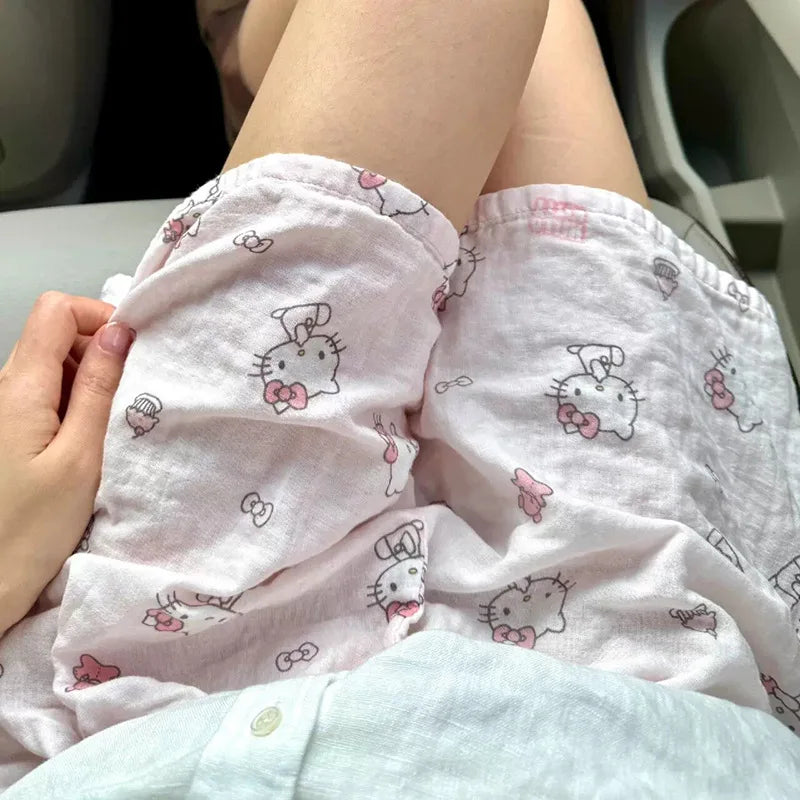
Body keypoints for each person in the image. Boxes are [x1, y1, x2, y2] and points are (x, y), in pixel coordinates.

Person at [2, 0, 800, 795]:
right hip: (639, 695)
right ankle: (255, 50)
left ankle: (252, 52)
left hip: (136, 697)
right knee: (537, 24)